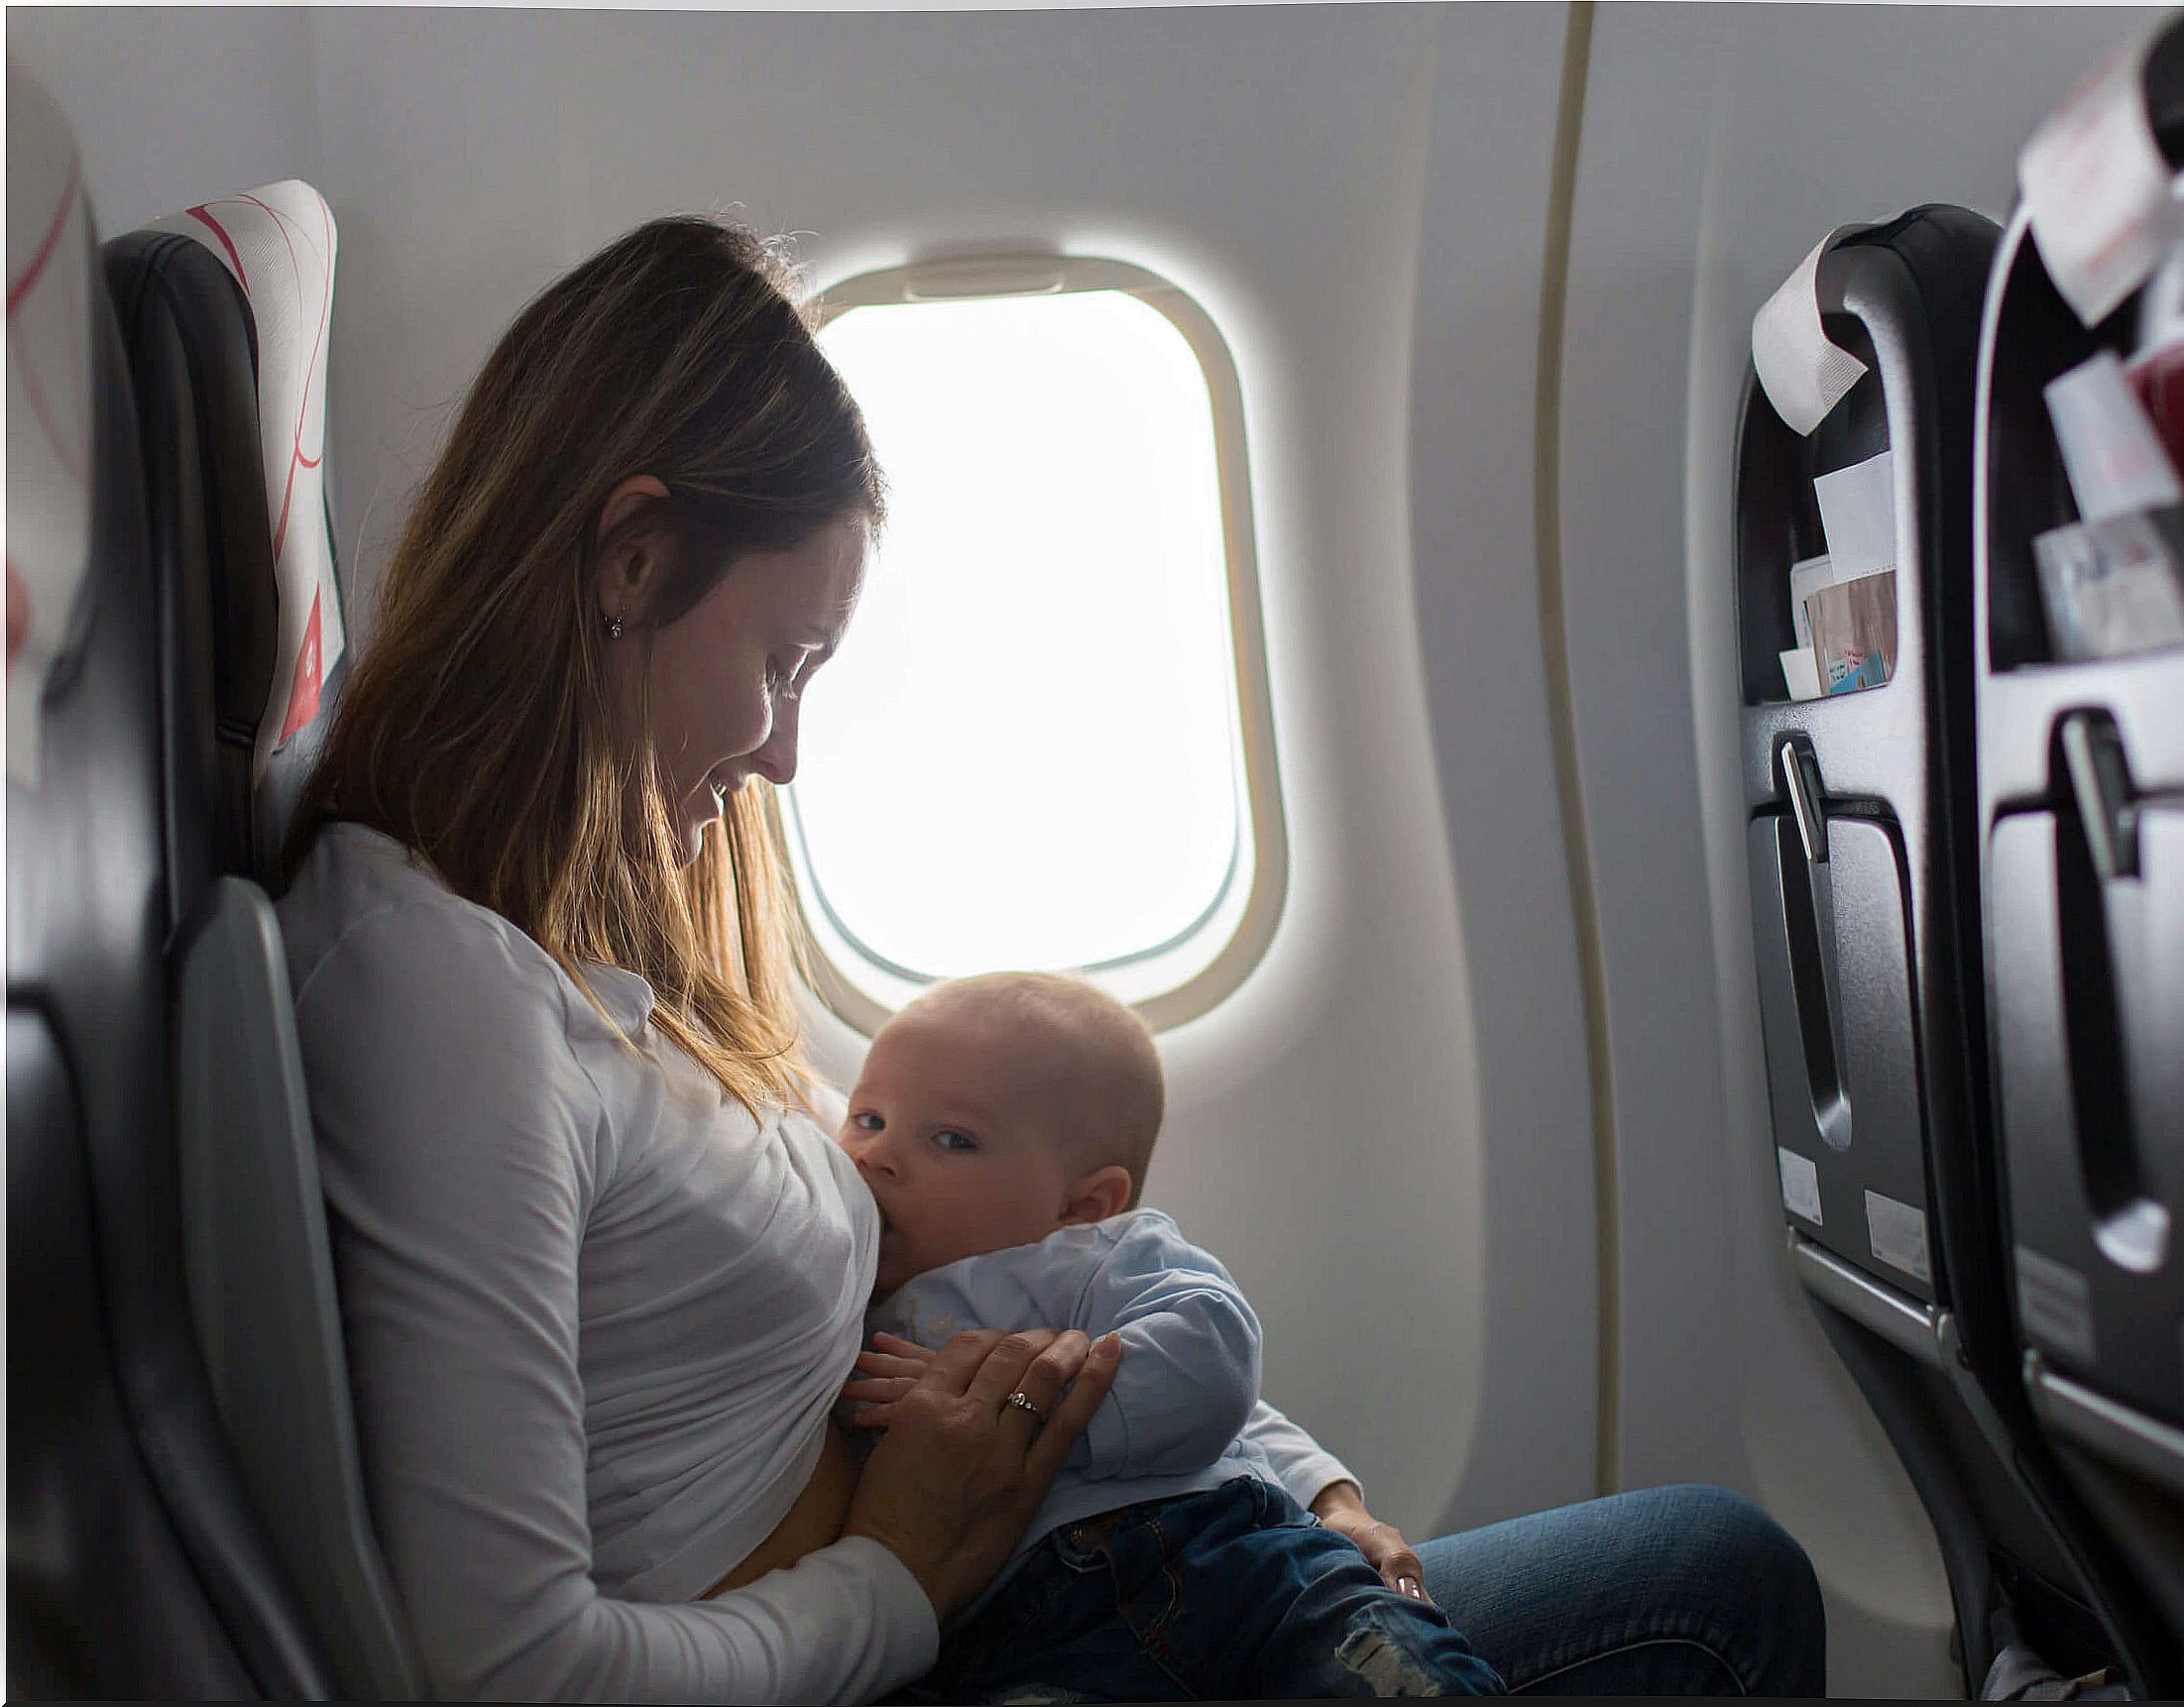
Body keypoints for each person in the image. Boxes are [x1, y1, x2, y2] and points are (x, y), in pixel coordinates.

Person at [277, 210, 1827, 1701]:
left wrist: (1310, 1483)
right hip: (960, 1639)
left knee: (1719, 1563)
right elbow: (509, 1670)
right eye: (780, 661)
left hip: (1071, 1564)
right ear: (633, 560)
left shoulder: (598, 960)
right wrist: (900, 1579)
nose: (786, 751)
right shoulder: (442, 996)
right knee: (1706, 1615)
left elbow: (1032, 1296)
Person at [789, 970, 1493, 1699]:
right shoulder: (847, 1293)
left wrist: (1331, 1500)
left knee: (1394, 1671)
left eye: (952, 1138)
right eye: (867, 1118)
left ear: (1082, 1202)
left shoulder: (1092, 1260)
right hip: (1029, 1635)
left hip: (1226, 1558)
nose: (877, 1156)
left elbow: (1214, 1372)